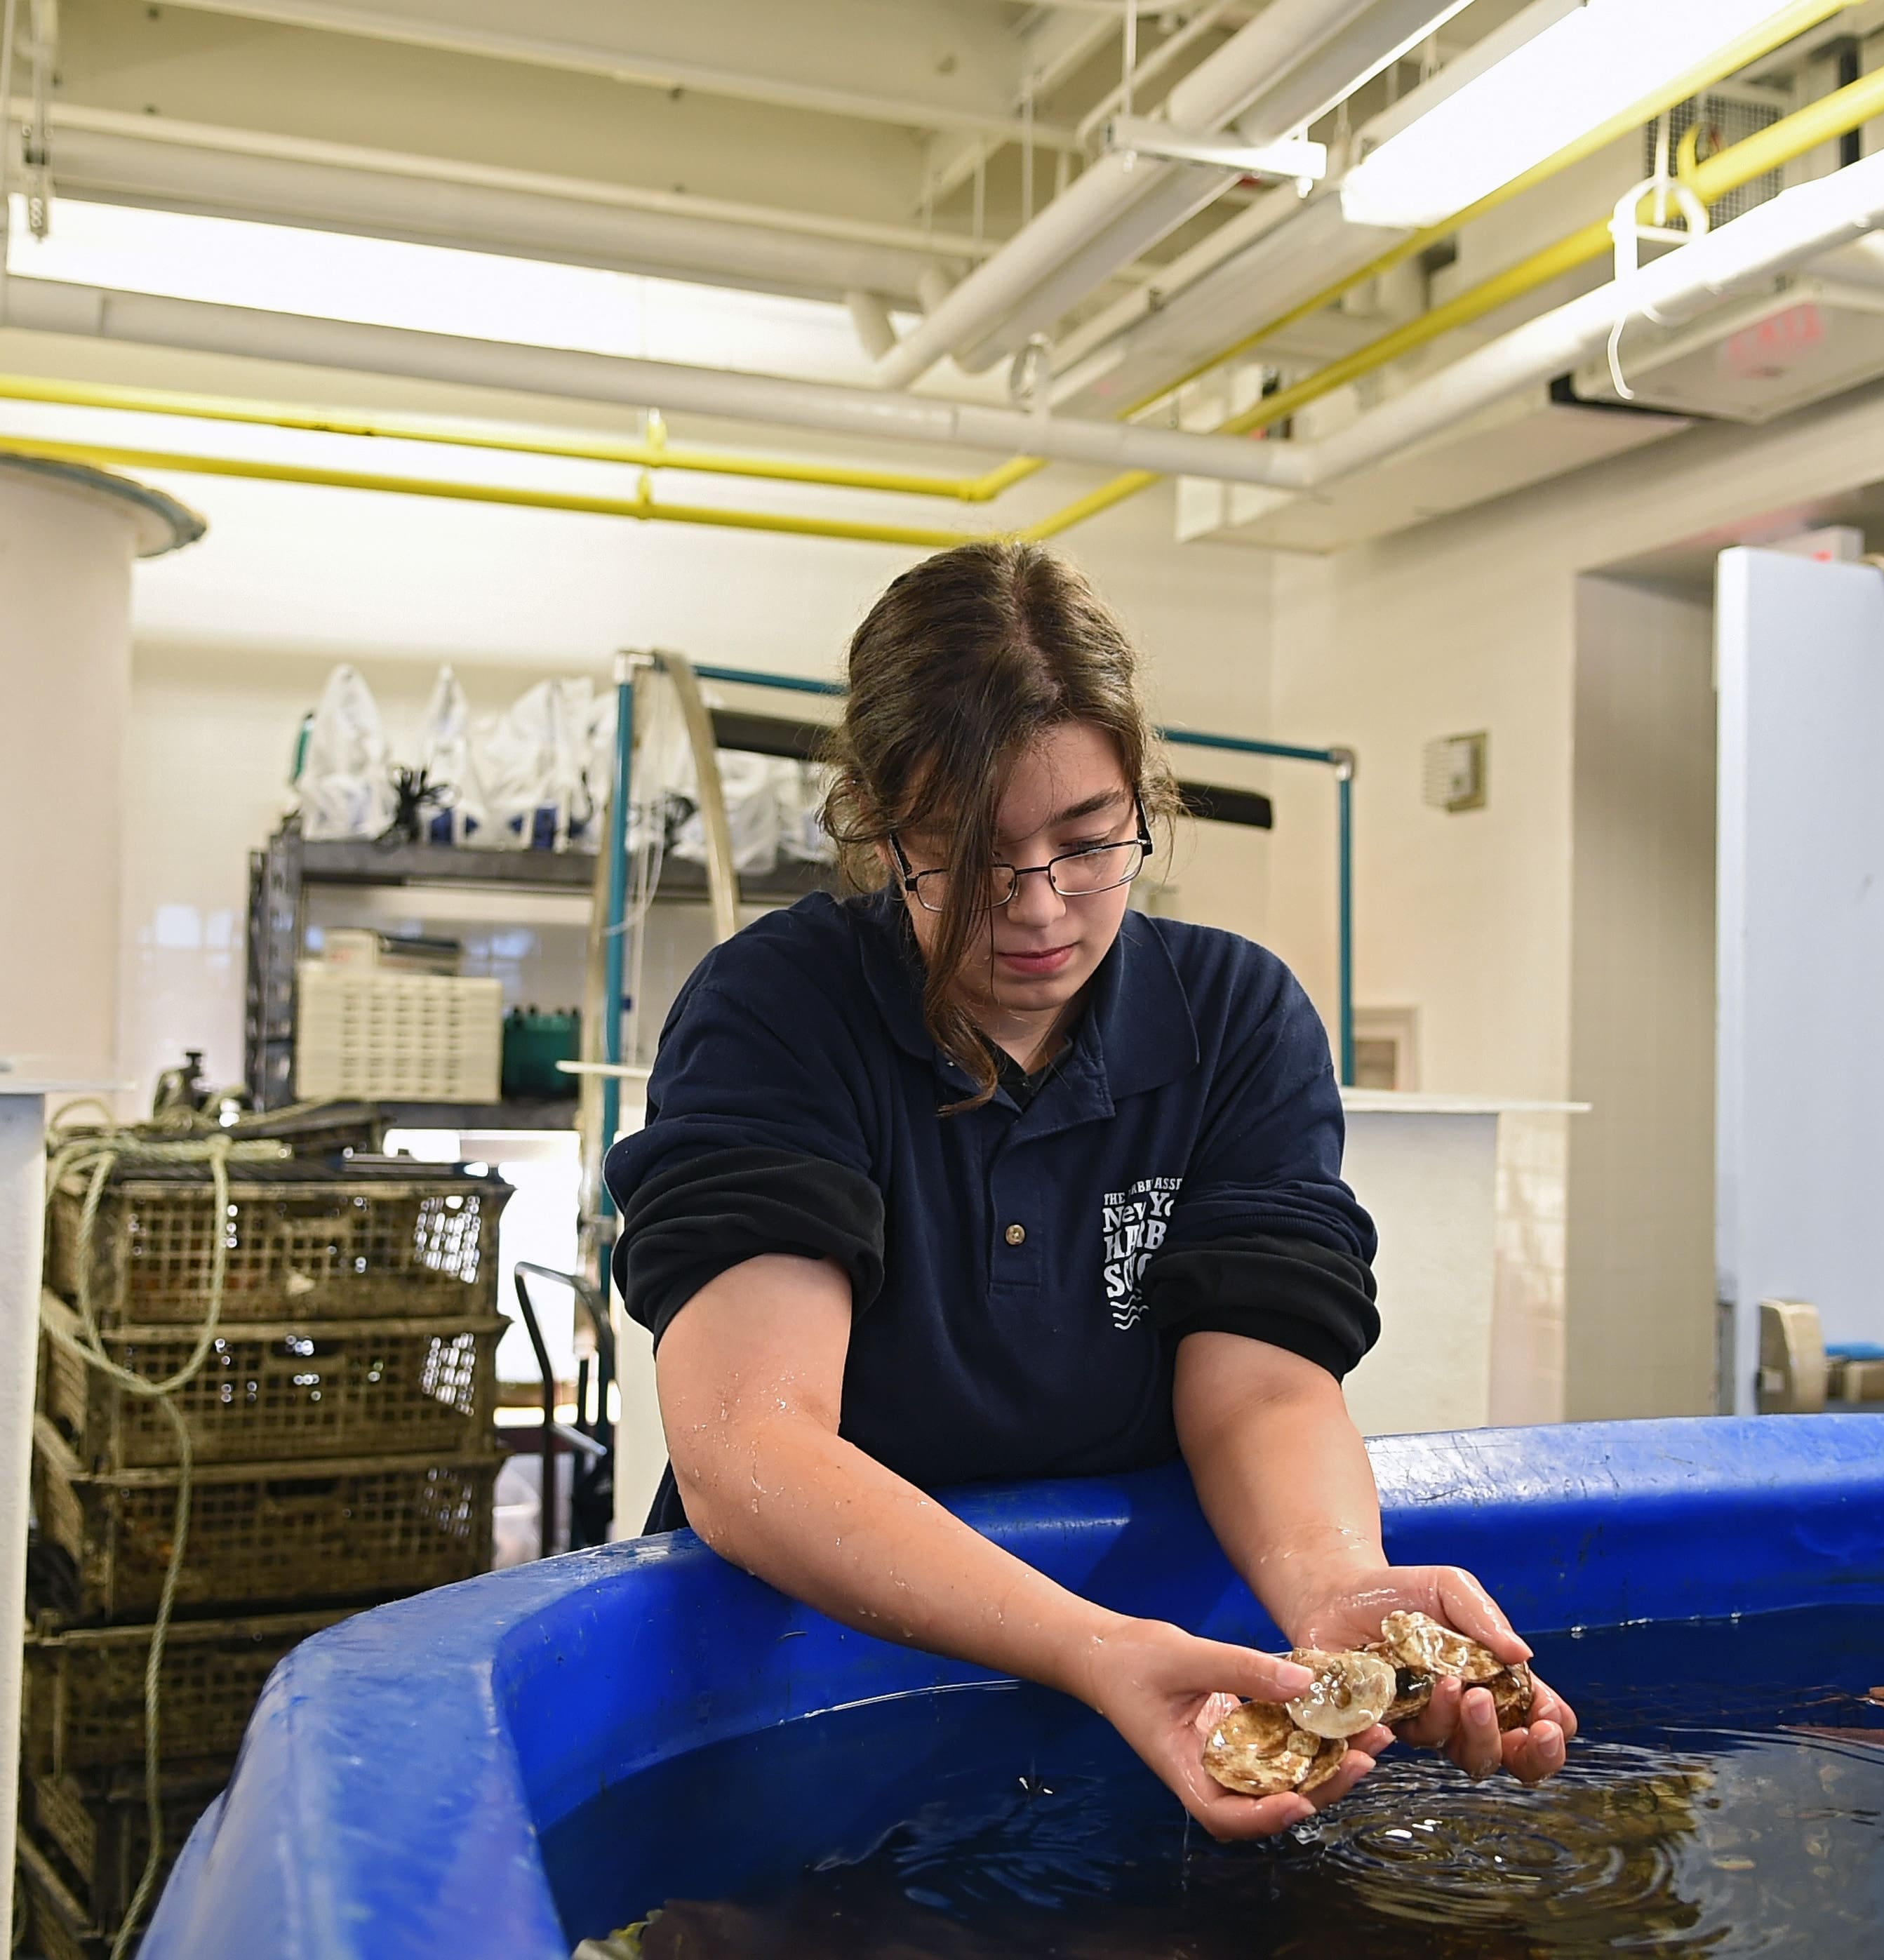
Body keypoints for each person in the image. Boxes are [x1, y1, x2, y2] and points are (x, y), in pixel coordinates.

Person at [603, 540, 1575, 1839]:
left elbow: (1265, 1387)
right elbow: (750, 1449)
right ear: (879, 826)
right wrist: (1093, 1648)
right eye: (964, 854)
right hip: (807, 1672)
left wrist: (1336, 1580)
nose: (1039, 907)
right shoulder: (778, 1010)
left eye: (1088, 841)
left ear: (1141, 803)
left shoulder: (1233, 1019)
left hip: (1135, 1672)